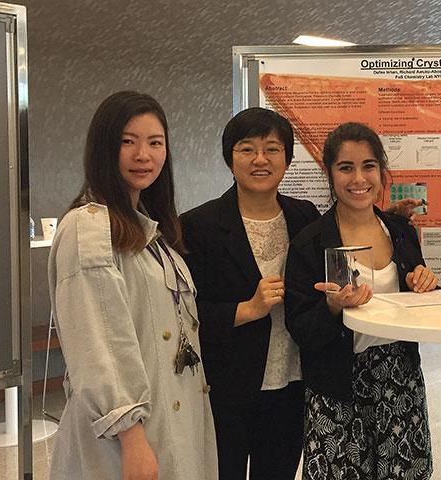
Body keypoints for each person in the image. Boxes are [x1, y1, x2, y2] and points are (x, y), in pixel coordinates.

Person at [47, 91, 217, 479]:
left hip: (170, 417)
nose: (143, 155)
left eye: (155, 143)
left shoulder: (148, 229)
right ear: (103, 147)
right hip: (126, 437)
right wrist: (131, 436)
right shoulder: (89, 228)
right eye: (128, 141)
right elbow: (100, 342)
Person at [284, 122, 438, 480]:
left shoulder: (400, 231)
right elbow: (300, 328)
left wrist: (426, 283)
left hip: (400, 378)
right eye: (346, 167)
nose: (358, 179)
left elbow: (421, 301)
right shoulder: (310, 243)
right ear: (330, 173)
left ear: (381, 173)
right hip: (336, 383)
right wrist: (333, 306)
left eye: (368, 166)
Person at [180, 107, 319, 479]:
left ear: (287, 159)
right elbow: (183, 313)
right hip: (226, 387)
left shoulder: (305, 216)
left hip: (292, 383)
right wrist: (248, 309)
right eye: (247, 149)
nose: (260, 159)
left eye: (272, 149)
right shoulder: (198, 225)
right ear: (230, 159)